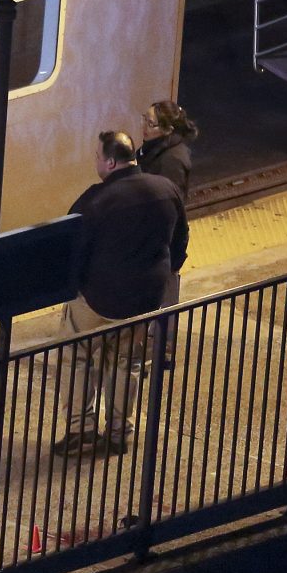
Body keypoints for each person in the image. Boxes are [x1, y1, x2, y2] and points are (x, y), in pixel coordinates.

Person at [56, 130, 186, 455]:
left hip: (98, 298)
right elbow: (180, 243)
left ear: (111, 162)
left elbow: (71, 248)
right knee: (127, 363)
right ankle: (119, 434)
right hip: (144, 300)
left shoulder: (96, 200)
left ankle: (80, 432)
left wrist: (72, 286)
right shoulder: (165, 189)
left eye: (98, 158)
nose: (97, 163)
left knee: (78, 356)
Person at [138, 99, 198, 370]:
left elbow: (169, 205)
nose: (144, 127)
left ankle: (161, 351)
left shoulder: (171, 161)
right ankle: (155, 346)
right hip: (156, 238)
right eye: (144, 119)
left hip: (164, 240)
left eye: (150, 123)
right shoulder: (153, 151)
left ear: (165, 129)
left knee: (164, 294)